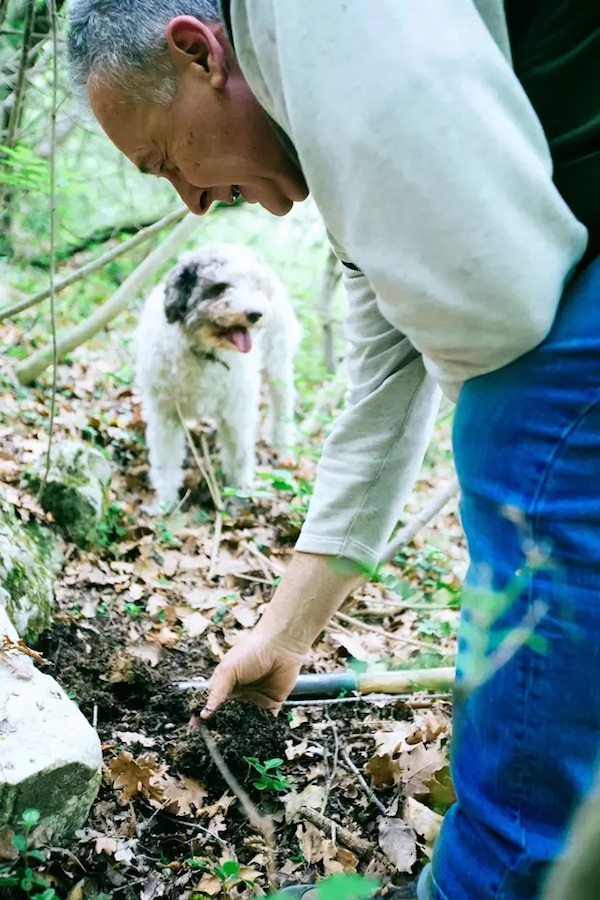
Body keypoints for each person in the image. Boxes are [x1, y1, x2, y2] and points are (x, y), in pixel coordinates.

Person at [67, 1, 599, 897]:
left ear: (200, 52)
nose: (191, 200)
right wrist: (284, 632)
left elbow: (499, 317)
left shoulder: (323, 20)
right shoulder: (347, 127)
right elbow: (382, 394)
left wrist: (522, 503)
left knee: (522, 438)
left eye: (167, 160)